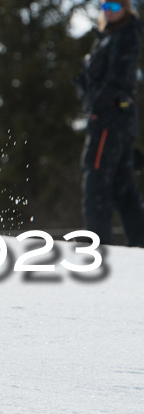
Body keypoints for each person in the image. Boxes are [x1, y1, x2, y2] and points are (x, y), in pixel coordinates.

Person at [75, 0, 144, 247]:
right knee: (121, 183)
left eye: (115, 7)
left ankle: (97, 246)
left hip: (111, 118)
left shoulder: (125, 35)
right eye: (105, 6)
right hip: (115, 118)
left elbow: (118, 78)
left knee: (96, 180)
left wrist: (98, 103)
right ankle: (139, 244)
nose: (108, 11)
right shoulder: (107, 37)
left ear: (125, 9)